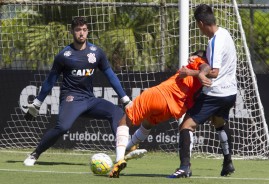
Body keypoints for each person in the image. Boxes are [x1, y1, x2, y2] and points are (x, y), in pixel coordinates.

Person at [22, 16, 132, 166]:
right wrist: (36, 103)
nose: (82, 33)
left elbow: (111, 76)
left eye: (84, 30)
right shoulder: (64, 55)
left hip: (89, 99)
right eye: (78, 30)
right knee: (63, 127)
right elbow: (50, 80)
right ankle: (35, 154)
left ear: (88, 31)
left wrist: (125, 99)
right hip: (71, 99)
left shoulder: (97, 52)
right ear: (72, 32)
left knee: (117, 113)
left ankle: (123, 152)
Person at [109, 50, 212, 178]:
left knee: (124, 121)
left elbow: (204, 66)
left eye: (193, 56)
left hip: (160, 94)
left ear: (197, 57)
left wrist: (199, 66)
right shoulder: (206, 75)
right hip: (173, 109)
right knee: (147, 123)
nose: (189, 58)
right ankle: (128, 148)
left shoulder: (199, 62)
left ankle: (119, 159)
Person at [168, 4, 237, 178]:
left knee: (186, 126)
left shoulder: (214, 41)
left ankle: (184, 167)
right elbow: (213, 60)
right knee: (219, 122)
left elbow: (214, 72)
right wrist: (199, 57)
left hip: (215, 94)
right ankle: (228, 162)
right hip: (230, 93)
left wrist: (189, 72)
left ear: (200, 23)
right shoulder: (225, 34)